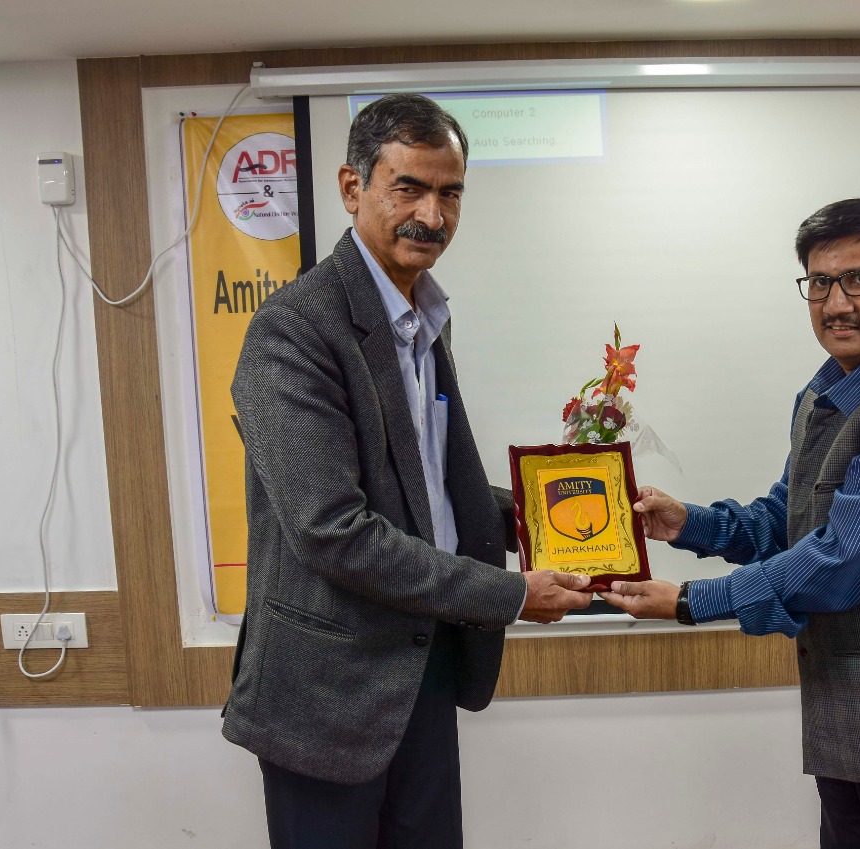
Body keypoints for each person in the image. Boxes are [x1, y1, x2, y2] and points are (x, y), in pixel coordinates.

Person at [222, 93, 593, 849]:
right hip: (326, 695)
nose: (433, 213)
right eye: (409, 188)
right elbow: (334, 530)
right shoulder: (294, 328)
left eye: (450, 192)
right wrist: (510, 593)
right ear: (352, 188)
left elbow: (421, 488)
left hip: (419, 665)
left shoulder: (422, 314)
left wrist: (549, 513)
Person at [602, 199, 860, 849]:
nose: (835, 302)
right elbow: (788, 520)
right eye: (820, 282)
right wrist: (689, 523)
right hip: (850, 726)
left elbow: (842, 559)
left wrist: (693, 600)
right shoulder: (827, 392)